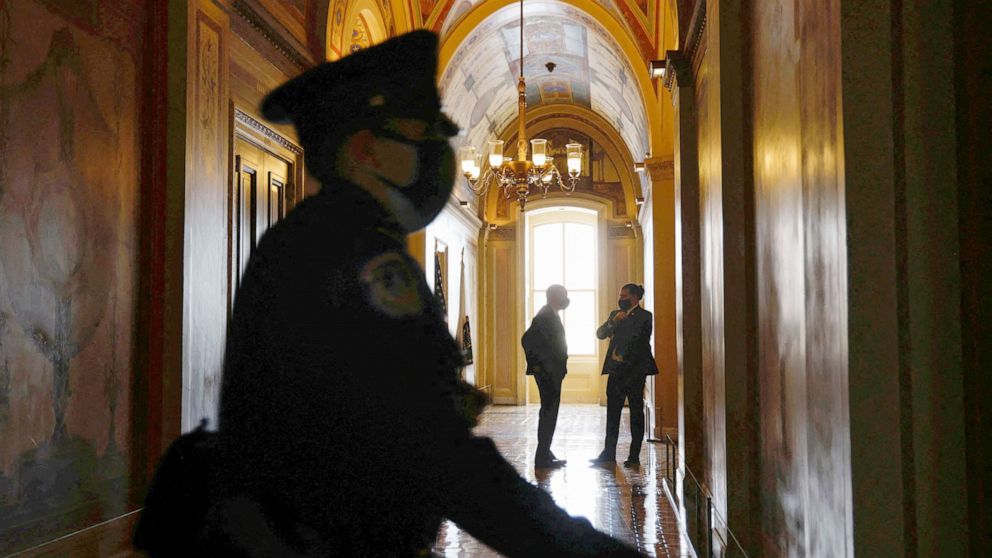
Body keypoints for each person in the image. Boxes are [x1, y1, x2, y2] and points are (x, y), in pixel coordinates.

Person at [134, 31, 642, 557]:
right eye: (421, 134)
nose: (435, 155)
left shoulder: (317, 237)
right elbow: (433, 448)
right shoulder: (359, 256)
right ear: (365, 149)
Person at [590, 284, 658, 468]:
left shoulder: (645, 316)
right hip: (616, 372)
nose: (621, 299)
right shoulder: (615, 314)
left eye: (625, 295)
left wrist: (623, 322)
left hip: (635, 373)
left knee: (636, 413)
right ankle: (608, 453)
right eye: (620, 295)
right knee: (612, 413)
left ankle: (634, 455)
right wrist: (614, 322)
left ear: (635, 297)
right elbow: (600, 333)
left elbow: (638, 339)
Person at [522, 284, 570, 469]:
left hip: (552, 373)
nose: (566, 299)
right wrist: (539, 366)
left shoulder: (550, 314)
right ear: (555, 297)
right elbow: (527, 340)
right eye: (564, 295)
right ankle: (542, 457)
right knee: (549, 413)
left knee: (549, 413)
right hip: (548, 374)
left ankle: (545, 451)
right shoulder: (544, 316)